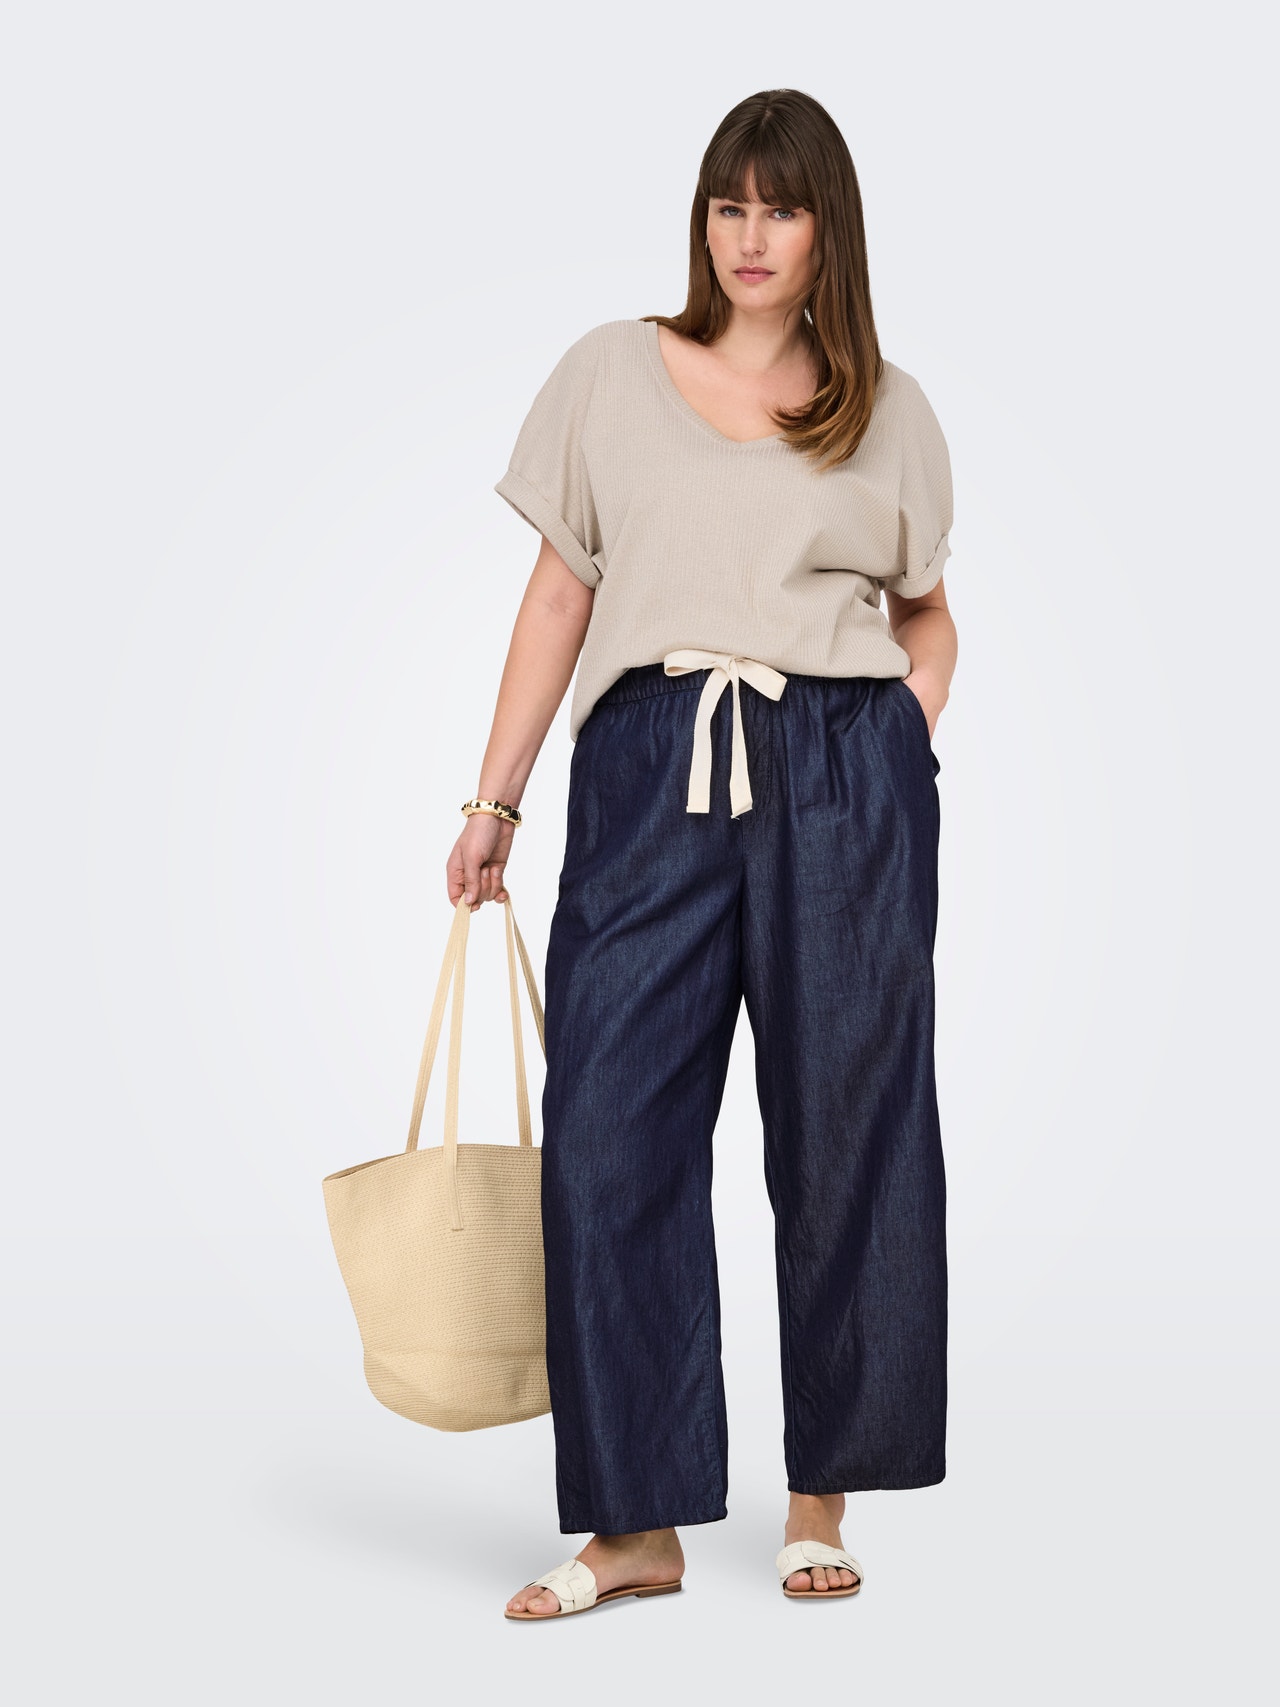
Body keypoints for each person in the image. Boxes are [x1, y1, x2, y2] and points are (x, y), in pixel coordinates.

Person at [447, 87, 957, 1620]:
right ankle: (636, 1527)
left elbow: (928, 612)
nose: (751, 236)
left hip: (841, 771)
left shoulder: (889, 409)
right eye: (730, 205)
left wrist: (896, 736)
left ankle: (819, 1500)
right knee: (611, 1129)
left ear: (825, 230)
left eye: (781, 208)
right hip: (650, 763)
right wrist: (494, 801)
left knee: (850, 1127)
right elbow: (559, 595)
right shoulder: (613, 371)